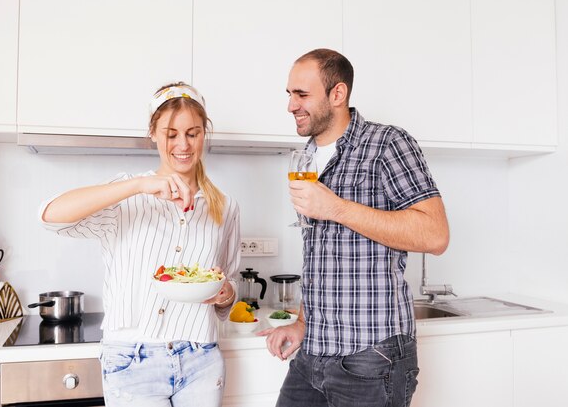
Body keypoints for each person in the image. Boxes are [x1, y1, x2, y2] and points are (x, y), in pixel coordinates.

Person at [258, 49, 450, 407]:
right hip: (312, 355)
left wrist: (336, 208)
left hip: (371, 357)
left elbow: (436, 235)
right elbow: (322, 259)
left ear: (337, 94)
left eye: (302, 94)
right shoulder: (307, 156)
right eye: (289, 94)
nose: (291, 106)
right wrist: (301, 323)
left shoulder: (388, 144)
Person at [39, 82, 240, 407]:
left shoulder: (225, 206)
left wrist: (226, 293)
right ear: (153, 133)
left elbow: (227, 288)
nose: (183, 145)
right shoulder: (128, 196)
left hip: (201, 357)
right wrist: (138, 185)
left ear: (205, 133)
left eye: (193, 133)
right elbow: (50, 215)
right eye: (171, 134)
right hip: (130, 360)